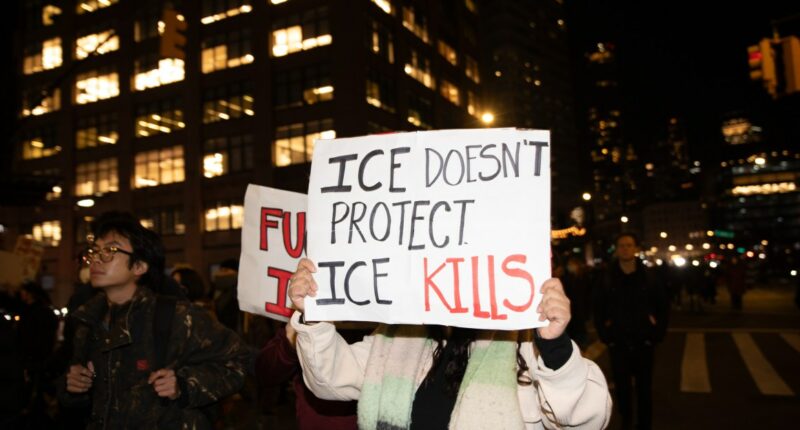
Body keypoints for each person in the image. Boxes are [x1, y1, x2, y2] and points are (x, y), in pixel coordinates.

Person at [287, 258, 612, 429]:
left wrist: (555, 349)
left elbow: (588, 420)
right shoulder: (399, 331)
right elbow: (330, 380)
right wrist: (314, 315)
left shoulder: (525, 340)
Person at [58, 211, 250, 429]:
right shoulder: (88, 320)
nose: (97, 259)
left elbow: (239, 360)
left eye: (110, 250)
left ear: (139, 266)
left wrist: (184, 385)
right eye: (94, 251)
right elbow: (84, 398)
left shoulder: (176, 316)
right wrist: (72, 386)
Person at [593, 233, 668, 430]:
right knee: (622, 388)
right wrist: (605, 334)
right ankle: (626, 421)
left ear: (636, 248)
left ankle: (644, 424)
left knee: (644, 388)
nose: (625, 248)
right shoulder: (607, 277)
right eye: (621, 245)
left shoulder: (649, 276)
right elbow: (598, 308)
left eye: (629, 245)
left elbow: (662, 306)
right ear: (617, 250)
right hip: (618, 342)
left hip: (644, 341)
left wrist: (657, 332)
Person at [255, 322, 366, 430]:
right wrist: (289, 344)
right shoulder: (306, 314)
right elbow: (265, 372)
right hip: (318, 421)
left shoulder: (379, 322)